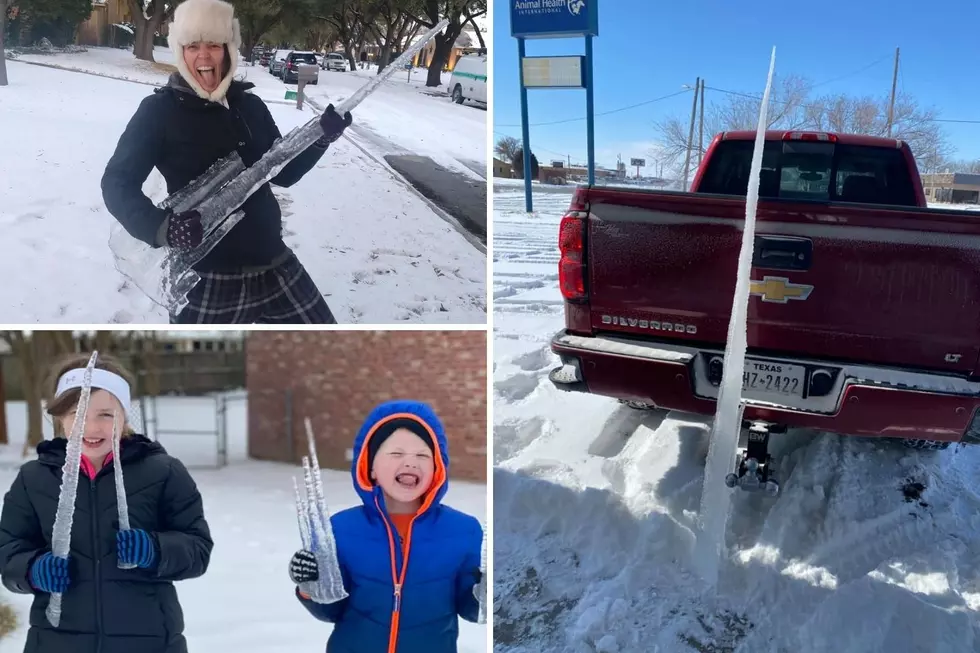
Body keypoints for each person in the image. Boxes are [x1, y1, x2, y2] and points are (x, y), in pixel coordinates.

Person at [101, 0, 352, 325]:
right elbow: (117, 184)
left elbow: (284, 173)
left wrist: (319, 138)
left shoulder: (251, 107)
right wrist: (164, 228)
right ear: (181, 52)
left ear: (229, 51)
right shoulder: (158, 112)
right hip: (206, 279)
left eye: (214, 45)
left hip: (273, 263)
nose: (203, 56)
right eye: (192, 46)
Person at [0, 354, 213, 653]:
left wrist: (155, 549)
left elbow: (198, 549)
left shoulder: (164, 472)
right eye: (77, 413)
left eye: (105, 414)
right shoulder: (33, 479)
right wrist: (33, 569)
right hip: (56, 642)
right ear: (60, 418)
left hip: (148, 641)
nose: (91, 426)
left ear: (124, 416)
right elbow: (8, 551)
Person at [287, 400, 484, 653]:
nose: (411, 463)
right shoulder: (341, 529)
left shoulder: (463, 531)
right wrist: (311, 585)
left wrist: (485, 591)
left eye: (423, 455)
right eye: (396, 453)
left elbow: (471, 608)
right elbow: (330, 610)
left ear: (437, 469)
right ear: (370, 467)